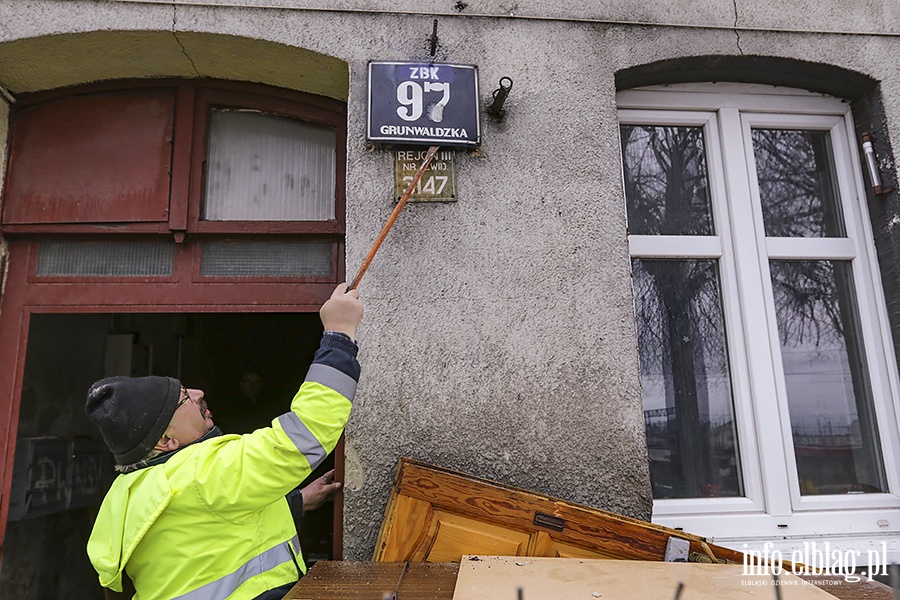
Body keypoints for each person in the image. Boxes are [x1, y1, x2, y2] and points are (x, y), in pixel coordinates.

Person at [84, 283, 363, 600]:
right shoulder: (201, 470)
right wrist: (339, 336)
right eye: (183, 399)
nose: (198, 393)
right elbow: (306, 433)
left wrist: (297, 501)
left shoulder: (130, 491)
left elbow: (209, 533)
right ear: (166, 440)